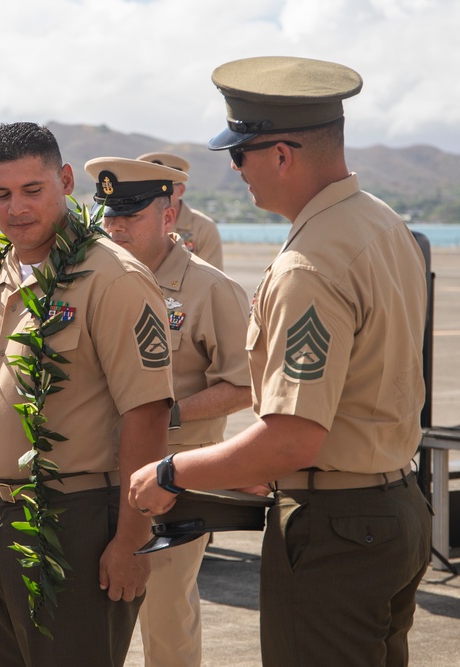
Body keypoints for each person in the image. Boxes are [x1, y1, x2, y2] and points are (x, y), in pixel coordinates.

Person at [128, 56, 432, 667]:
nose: (237, 171)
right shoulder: (383, 223)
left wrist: (171, 473)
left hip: (335, 530)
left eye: (239, 155)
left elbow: (294, 439)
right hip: (395, 507)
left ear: (282, 155)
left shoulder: (310, 264)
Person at [0, 122, 174, 667]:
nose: (17, 208)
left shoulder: (112, 278)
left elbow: (147, 414)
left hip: (74, 522)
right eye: (0, 193)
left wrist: (131, 541)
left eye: (33, 190)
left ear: (64, 181)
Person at [85, 156, 252, 667]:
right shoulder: (97, 278)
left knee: (165, 619)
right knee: (92, 615)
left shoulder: (211, 290)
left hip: (170, 481)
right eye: (109, 216)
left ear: (167, 217)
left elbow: (244, 385)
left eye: (130, 216)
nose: (115, 227)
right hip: (95, 475)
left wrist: (162, 415)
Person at [137, 151, 224, 270]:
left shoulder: (203, 228)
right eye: (148, 189)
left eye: (164, 189)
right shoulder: (132, 224)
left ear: (181, 190)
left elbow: (213, 282)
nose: (156, 195)